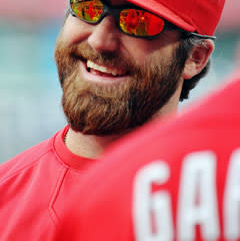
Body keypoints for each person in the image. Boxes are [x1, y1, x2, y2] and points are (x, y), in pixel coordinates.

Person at [0, 0, 226, 240]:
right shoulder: (6, 199)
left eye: (139, 21)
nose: (100, 39)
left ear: (196, 57)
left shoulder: (220, 210)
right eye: (87, 6)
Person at [58, 71, 240, 241]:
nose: (99, 42)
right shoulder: (99, 195)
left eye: (139, 34)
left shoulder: (103, 191)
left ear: (197, 57)